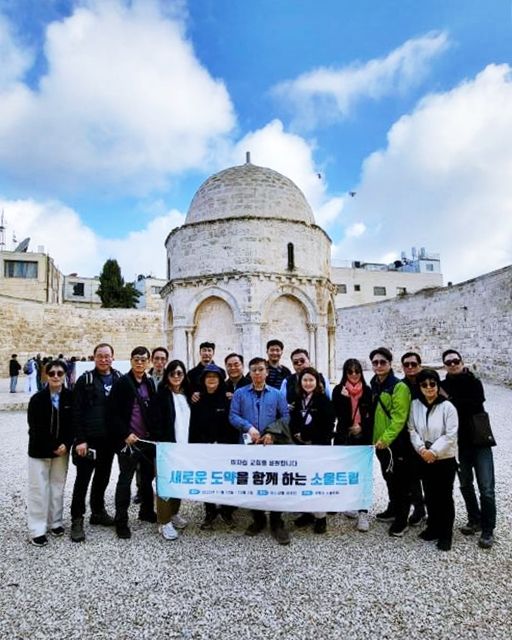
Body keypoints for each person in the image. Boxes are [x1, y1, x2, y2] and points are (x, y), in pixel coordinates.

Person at [230, 357, 291, 545]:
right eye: (254, 370)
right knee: (252, 481)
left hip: (271, 446)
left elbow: (285, 416)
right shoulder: (240, 393)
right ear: (249, 373)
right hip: (248, 445)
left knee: (274, 481)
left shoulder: (276, 394)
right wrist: (248, 427)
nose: (257, 373)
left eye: (261, 369)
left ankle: (276, 520)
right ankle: (258, 518)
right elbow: (233, 415)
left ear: (266, 372)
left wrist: (272, 433)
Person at [440, 349, 496, 549]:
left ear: (461, 362)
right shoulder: (442, 385)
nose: (453, 364)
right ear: (445, 366)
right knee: (465, 484)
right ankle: (475, 519)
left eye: (455, 361)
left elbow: (474, 405)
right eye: (449, 362)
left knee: (486, 488)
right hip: (459, 444)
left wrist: (450, 399)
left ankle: (488, 529)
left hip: (480, 441)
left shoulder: (474, 382)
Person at [69, 343, 122, 542]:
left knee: (102, 477)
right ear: (94, 357)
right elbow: (76, 411)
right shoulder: (85, 380)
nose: (104, 359)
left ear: (113, 357)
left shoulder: (118, 379)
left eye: (107, 356)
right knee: (82, 480)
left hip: (108, 440)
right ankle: (77, 519)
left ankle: (98, 512)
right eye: (100, 356)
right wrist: (80, 439)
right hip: (89, 440)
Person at [408, 369, 458, 551]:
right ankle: (433, 527)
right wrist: (422, 449)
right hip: (423, 457)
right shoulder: (415, 405)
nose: (429, 387)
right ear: (419, 387)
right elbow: (412, 429)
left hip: (444, 459)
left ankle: (446, 534)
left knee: (444, 496)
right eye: (424, 384)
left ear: (437, 385)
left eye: (432, 384)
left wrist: (434, 452)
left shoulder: (448, 407)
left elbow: (450, 434)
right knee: (429, 494)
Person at [110, 346, 157, 539]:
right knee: (125, 480)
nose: (139, 362)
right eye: (136, 359)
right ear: (131, 361)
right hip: (129, 441)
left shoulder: (149, 382)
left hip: (146, 440)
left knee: (147, 479)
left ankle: (146, 511)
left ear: (148, 362)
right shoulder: (122, 383)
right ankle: (121, 520)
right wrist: (125, 433)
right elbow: (112, 413)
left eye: (143, 359)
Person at [27, 359, 73, 546]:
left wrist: (67, 444)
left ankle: (55, 522)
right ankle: (37, 529)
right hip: (40, 450)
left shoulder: (70, 397)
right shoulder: (37, 399)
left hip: (62, 450)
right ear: (46, 375)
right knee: (38, 489)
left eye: (59, 373)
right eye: (52, 373)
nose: (55, 376)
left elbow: (73, 424)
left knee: (57, 486)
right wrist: (53, 445)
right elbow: (35, 427)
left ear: (65, 375)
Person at [369, 347, 413, 537]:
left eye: (382, 362)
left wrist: (386, 439)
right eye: (375, 362)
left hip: (395, 443)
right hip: (380, 444)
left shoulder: (399, 387)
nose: (379, 365)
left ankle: (402, 519)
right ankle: (393, 508)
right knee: (389, 477)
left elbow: (399, 418)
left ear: (389, 364)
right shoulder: (374, 384)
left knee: (400, 481)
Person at [189, 364, 239, 529]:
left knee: (226, 480)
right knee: (208, 481)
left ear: (220, 379)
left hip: (225, 447)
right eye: (208, 376)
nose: (211, 379)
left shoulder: (228, 399)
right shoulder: (197, 399)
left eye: (215, 376)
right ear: (203, 380)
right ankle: (209, 511)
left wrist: (226, 444)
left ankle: (227, 511)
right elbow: (194, 426)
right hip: (205, 448)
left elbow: (232, 425)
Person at [149, 359, 191, 541]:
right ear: (167, 376)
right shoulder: (161, 396)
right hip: (166, 447)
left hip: (184, 446)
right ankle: (164, 521)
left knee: (178, 481)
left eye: (179, 373)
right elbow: (154, 422)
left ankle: (174, 512)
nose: (176, 376)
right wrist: (162, 442)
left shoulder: (187, 395)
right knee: (165, 483)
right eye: (172, 373)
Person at [291, 367, 335, 534]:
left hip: (318, 447)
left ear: (317, 382)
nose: (308, 383)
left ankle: (320, 517)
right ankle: (307, 513)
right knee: (303, 480)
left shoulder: (323, 400)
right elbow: (294, 420)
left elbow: (327, 424)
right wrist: (297, 434)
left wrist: (307, 435)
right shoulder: (298, 399)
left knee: (317, 481)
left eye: (311, 380)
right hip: (301, 447)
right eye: (305, 380)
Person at [332, 358, 373, 532]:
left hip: (362, 436)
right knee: (346, 472)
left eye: (357, 371)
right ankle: (350, 503)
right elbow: (336, 414)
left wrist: (361, 426)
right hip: (344, 436)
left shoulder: (368, 390)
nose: (354, 374)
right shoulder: (338, 390)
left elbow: (372, 415)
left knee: (363, 473)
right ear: (345, 373)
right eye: (350, 371)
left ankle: (363, 512)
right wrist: (344, 399)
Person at [400, 351, 427, 527]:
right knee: (412, 476)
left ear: (419, 365)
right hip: (409, 436)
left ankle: (436, 510)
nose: (410, 367)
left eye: (413, 364)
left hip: (429, 436)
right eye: (406, 364)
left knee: (431, 477)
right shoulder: (400, 386)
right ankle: (419, 508)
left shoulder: (429, 382)